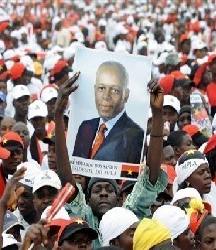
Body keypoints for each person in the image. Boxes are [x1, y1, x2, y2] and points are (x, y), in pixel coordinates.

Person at [55, 74, 167, 248]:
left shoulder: (130, 216)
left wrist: (158, 114)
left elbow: (151, 177)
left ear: (120, 199)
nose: (104, 193)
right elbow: (67, 182)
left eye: (109, 189)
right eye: (97, 190)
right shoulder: (83, 219)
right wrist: (58, 115)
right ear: (87, 198)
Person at [72, 61, 144, 163]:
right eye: (101, 88)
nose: (106, 96)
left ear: (126, 95)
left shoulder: (135, 135)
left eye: (114, 90)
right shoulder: (85, 126)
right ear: (94, 90)